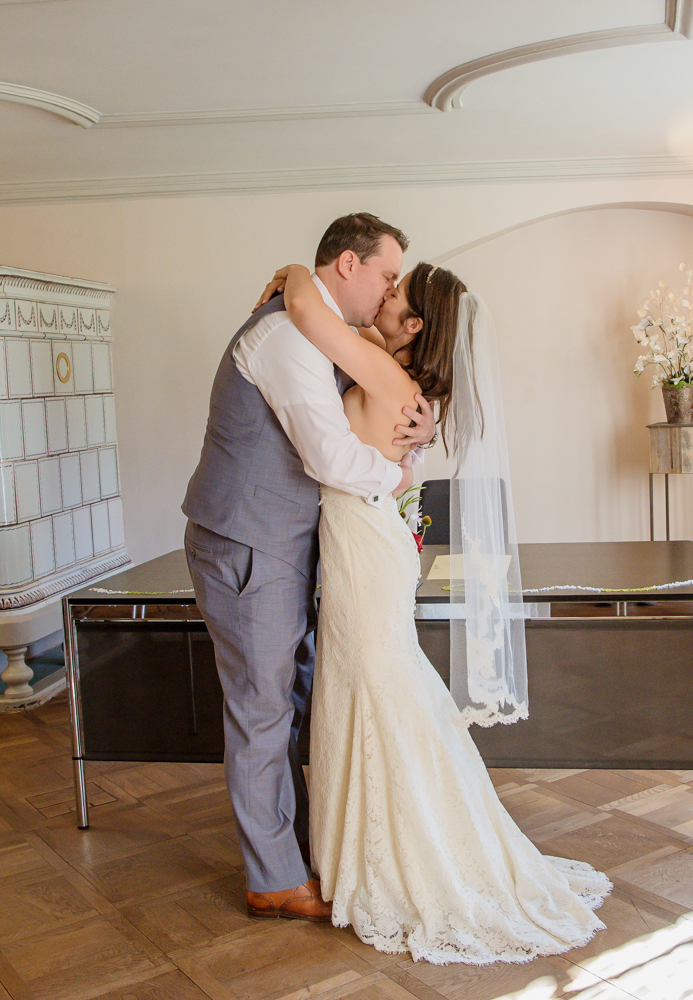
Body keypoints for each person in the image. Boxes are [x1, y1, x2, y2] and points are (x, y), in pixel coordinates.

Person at [256, 261, 612, 965]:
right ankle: (386, 839)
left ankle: (404, 853)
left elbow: (308, 312)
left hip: (364, 547)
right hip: (367, 542)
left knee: (375, 687)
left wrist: (296, 270)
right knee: (376, 686)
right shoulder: (405, 385)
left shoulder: (390, 380)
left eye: (394, 295)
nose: (382, 298)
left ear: (415, 326)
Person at [181, 213, 436, 923]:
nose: (389, 292)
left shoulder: (320, 327)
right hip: (247, 543)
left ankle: (299, 851)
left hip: (280, 543)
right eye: (386, 275)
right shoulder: (288, 336)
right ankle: (272, 879)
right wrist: (399, 469)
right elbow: (328, 459)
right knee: (264, 706)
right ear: (348, 266)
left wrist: (415, 437)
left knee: (292, 696)